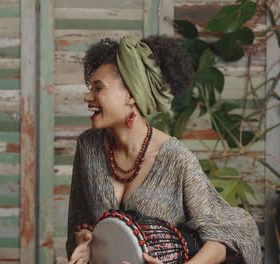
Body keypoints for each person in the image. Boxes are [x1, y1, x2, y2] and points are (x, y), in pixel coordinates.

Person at [66, 35, 261, 264]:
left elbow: (226, 235)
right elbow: (82, 221)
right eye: (90, 87)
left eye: (98, 88)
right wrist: (85, 239)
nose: (88, 96)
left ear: (131, 94)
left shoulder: (175, 158)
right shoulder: (88, 147)